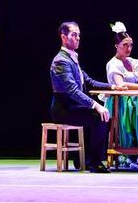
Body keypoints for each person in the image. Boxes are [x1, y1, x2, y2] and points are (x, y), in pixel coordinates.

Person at [50, 21, 126, 173]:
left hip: (73, 106)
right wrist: (96, 105)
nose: (77, 38)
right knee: (99, 116)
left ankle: (82, 158)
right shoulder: (61, 61)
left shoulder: (72, 58)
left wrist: (112, 86)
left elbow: (89, 81)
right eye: (73, 35)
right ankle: (94, 162)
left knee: (102, 116)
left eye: (78, 35)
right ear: (63, 37)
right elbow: (73, 90)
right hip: (63, 108)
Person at [104, 22, 138, 170]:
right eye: (124, 45)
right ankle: (127, 156)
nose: (128, 49)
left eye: (131, 45)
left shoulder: (134, 62)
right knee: (132, 106)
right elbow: (122, 86)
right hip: (119, 102)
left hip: (136, 100)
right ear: (116, 46)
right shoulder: (113, 64)